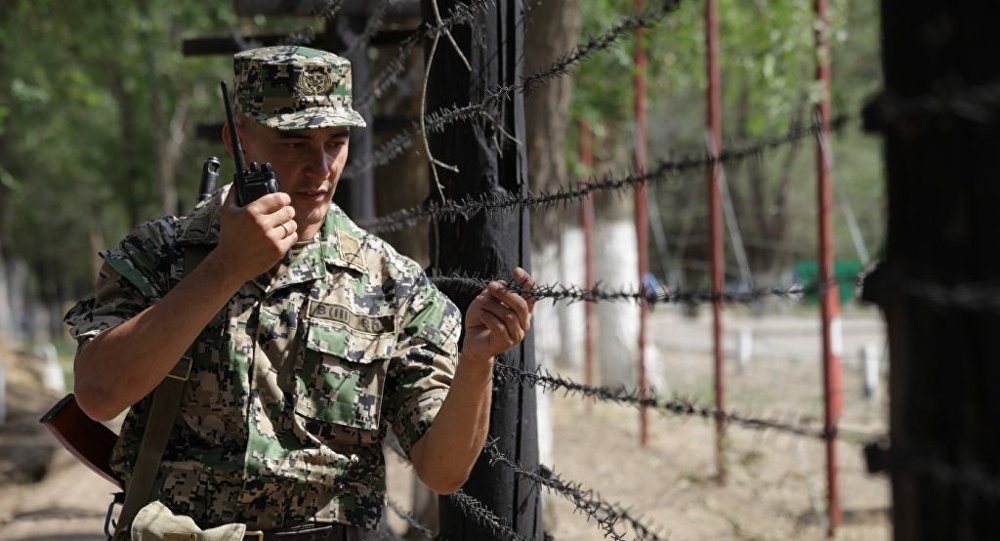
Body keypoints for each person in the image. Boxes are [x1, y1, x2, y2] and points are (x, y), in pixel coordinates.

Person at [64, 45, 536, 540]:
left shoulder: (392, 283)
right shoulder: (158, 254)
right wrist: (223, 269)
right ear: (237, 139)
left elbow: (443, 471)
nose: (321, 166)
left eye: (336, 141)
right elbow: (99, 394)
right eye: (294, 143)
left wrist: (478, 361)